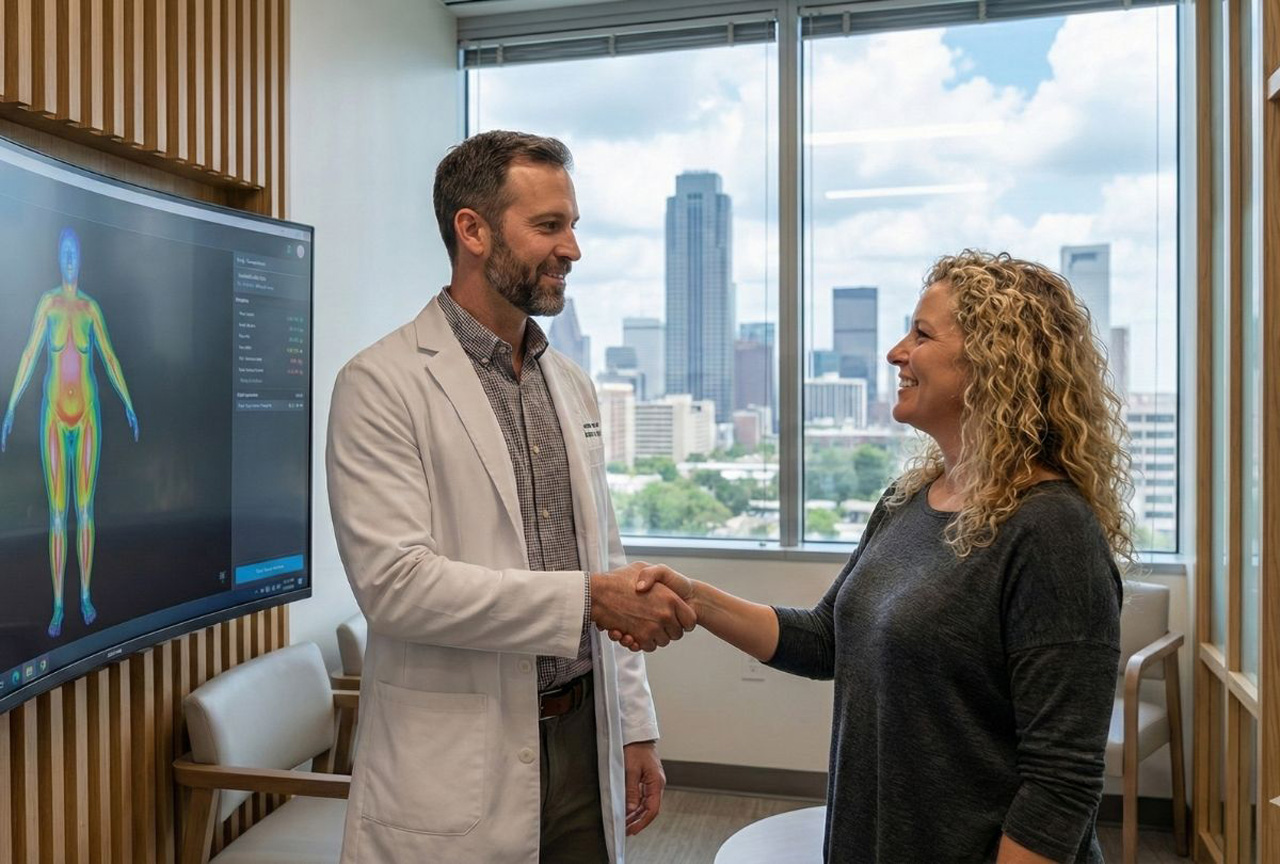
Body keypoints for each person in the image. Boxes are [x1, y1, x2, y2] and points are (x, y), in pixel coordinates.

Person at [618, 251, 1130, 863]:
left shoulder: (1051, 530)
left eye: (922, 334)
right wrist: (694, 598)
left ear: (995, 362)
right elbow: (827, 640)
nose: (895, 353)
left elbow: (1060, 783)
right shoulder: (910, 498)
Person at [326, 130, 696, 864]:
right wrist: (588, 600)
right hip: (458, 758)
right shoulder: (380, 385)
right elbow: (396, 587)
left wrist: (635, 722)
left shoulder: (571, 384)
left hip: (584, 738)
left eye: (574, 226)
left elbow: (606, 557)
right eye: (549, 226)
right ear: (473, 230)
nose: (573, 250)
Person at [2, 227, 139, 638]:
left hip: (89, 415)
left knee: (86, 510)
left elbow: (110, 358)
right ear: (57, 258)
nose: (69, 259)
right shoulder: (47, 304)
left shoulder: (91, 310)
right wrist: (10, 409)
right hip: (53, 416)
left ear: (81, 259)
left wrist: (128, 403)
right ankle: (59, 604)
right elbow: (28, 354)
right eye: (63, 252)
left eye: (73, 252)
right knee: (58, 514)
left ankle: (84, 594)